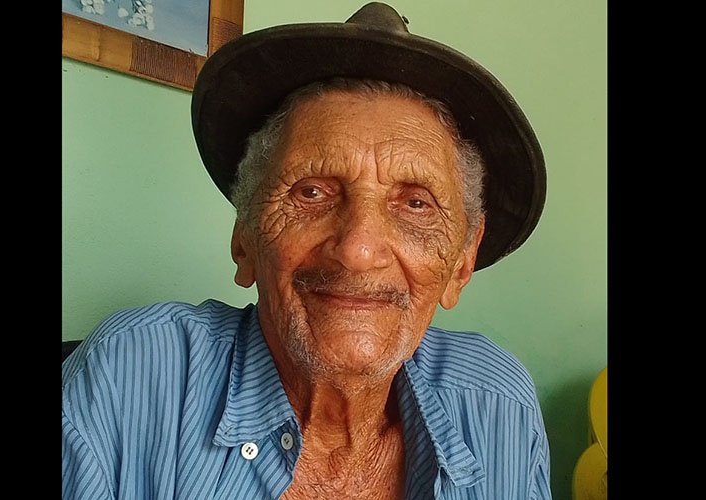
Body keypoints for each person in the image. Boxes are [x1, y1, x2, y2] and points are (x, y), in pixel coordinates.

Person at [62, 3, 551, 499]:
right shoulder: (127, 381)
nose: (358, 249)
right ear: (244, 238)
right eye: (311, 192)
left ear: (462, 262)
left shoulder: (500, 407)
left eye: (415, 204)